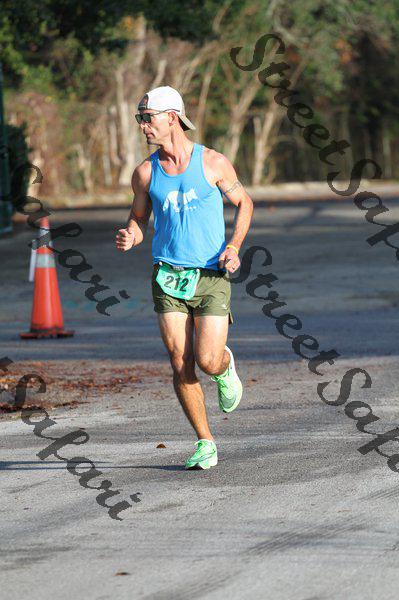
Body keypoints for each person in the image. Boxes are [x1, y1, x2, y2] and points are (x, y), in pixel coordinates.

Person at [116, 85, 253, 469]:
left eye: (148, 118)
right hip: (167, 276)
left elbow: (244, 202)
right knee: (180, 361)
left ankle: (224, 366)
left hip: (210, 275)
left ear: (172, 118)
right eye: (140, 119)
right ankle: (205, 441)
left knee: (206, 360)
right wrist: (131, 235)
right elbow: (138, 218)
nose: (143, 126)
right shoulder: (145, 173)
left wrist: (234, 247)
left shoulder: (213, 162)